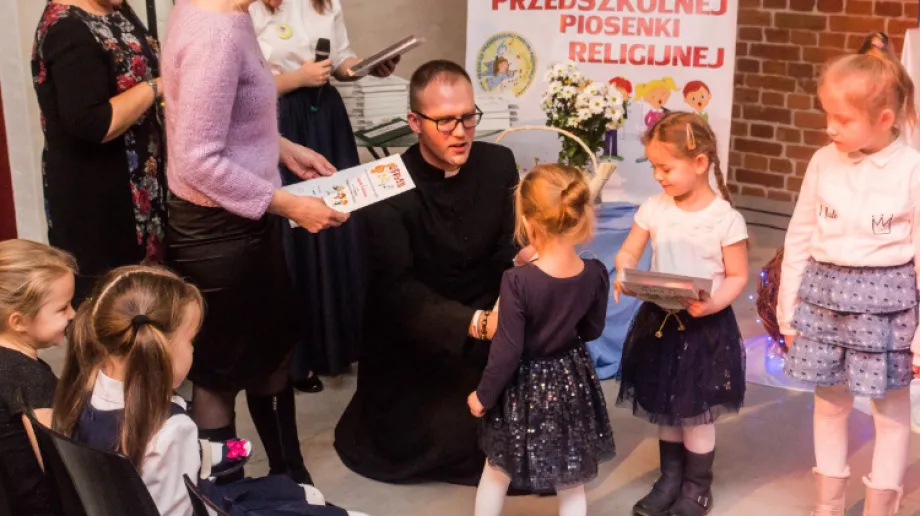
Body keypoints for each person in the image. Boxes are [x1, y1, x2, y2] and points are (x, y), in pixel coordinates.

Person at [161, 0, 349, 485]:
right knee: (219, 375)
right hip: (218, 238)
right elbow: (198, 160)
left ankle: (291, 478)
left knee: (273, 354)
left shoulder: (226, 12)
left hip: (245, 220)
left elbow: (228, 117)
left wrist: (283, 150)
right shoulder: (215, 33)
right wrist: (288, 204)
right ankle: (226, 492)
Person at [334, 60, 525, 486]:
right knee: (453, 432)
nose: (461, 132)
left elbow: (507, 248)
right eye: (445, 121)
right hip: (419, 332)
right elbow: (398, 291)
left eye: (468, 117)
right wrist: (475, 324)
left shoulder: (498, 163)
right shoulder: (385, 185)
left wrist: (523, 266)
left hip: (488, 319)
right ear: (415, 122)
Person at [52, 266, 368, 516]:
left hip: (153, 485)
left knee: (294, 495)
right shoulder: (171, 430)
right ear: (159, 350)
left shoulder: (87, 386)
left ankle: (203, 454)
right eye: (190, 341)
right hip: (199, 503)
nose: (193, 349)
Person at [777, 48, 920, 515]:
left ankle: (881, 508)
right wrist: (788, 310)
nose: (830, 128)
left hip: (885, 307)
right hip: (823, 300)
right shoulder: (823, 161)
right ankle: (829, 506)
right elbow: (800, 234)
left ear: (883, 119)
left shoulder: (912, 170)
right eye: (827, 116)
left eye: (842, 119)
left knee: (891, 411)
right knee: (830, 403)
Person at [249, 0, 400, 390]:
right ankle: (298, 358)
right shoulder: (248, 7)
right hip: (278, 121)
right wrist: (298, 78)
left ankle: (339, 344)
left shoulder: (326, 3)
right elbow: (244, 87)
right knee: (293, 236)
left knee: (339, 226)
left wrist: (365, 67)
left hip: (326, 117)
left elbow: (341, 62)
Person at [615, 112, 748, 516]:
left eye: (666, 167)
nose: (658, 176)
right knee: (666, 404)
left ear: (700, 162)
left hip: (704, 327)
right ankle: (669, 478)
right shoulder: (654, 208)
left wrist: (713, 303)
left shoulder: (724, 218)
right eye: (653, 167)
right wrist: (624, 271)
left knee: (696, 412)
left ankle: (696, 486)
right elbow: (630, 250)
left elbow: (737, 275)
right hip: (661, 324)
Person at [468, 164, 615, 516]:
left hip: (524, 388)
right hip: (571, 381)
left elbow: (507, 351)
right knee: (571, 476)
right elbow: (591, 331)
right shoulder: (595, 273)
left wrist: (483, 396)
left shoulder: (517, 281)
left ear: (528, 222)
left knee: (497, 470)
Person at [31, 0, 167, 304]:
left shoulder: (115, 9)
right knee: (109, 306)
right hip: (98, 199)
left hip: (140, 191)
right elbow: (93, 123)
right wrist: (157, 87)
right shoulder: (66, 29)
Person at [0, 240, 76, 515]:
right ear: (18, 321)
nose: (73, 314)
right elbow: (60, 467)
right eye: (63, 308)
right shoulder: (30, 378)